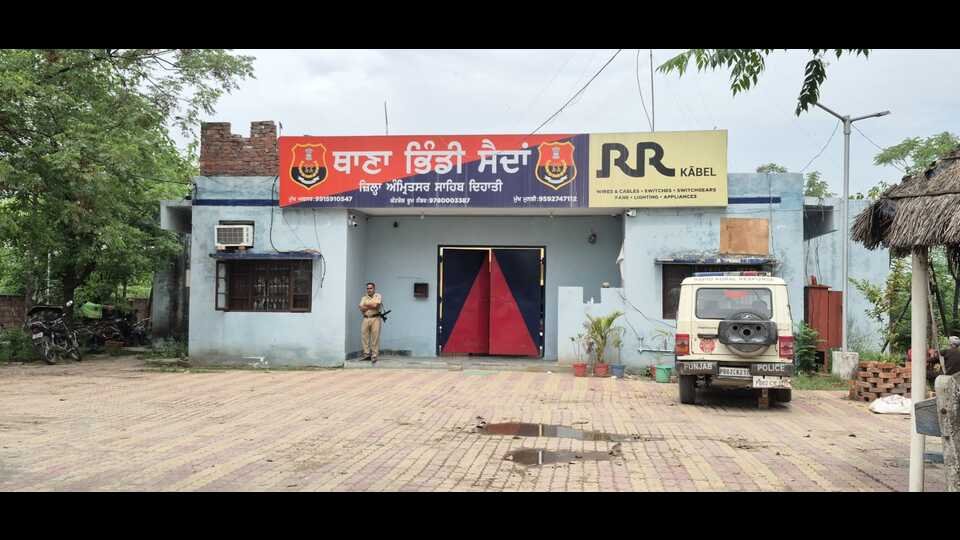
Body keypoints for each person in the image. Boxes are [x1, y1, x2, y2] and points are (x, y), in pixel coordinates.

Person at [358, 282, 383, 363]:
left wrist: (366, 305)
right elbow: (361, 308)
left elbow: (376, 306)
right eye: (368, 288)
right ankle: (367, 354)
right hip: (365, 318)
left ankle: (374, 355)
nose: (369, 290)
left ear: (374, 289)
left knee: (375, 337)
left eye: (371, 288)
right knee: (364, 337)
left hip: (375, 318)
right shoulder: (364, 297)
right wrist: (371, 304)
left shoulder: (378, 296)